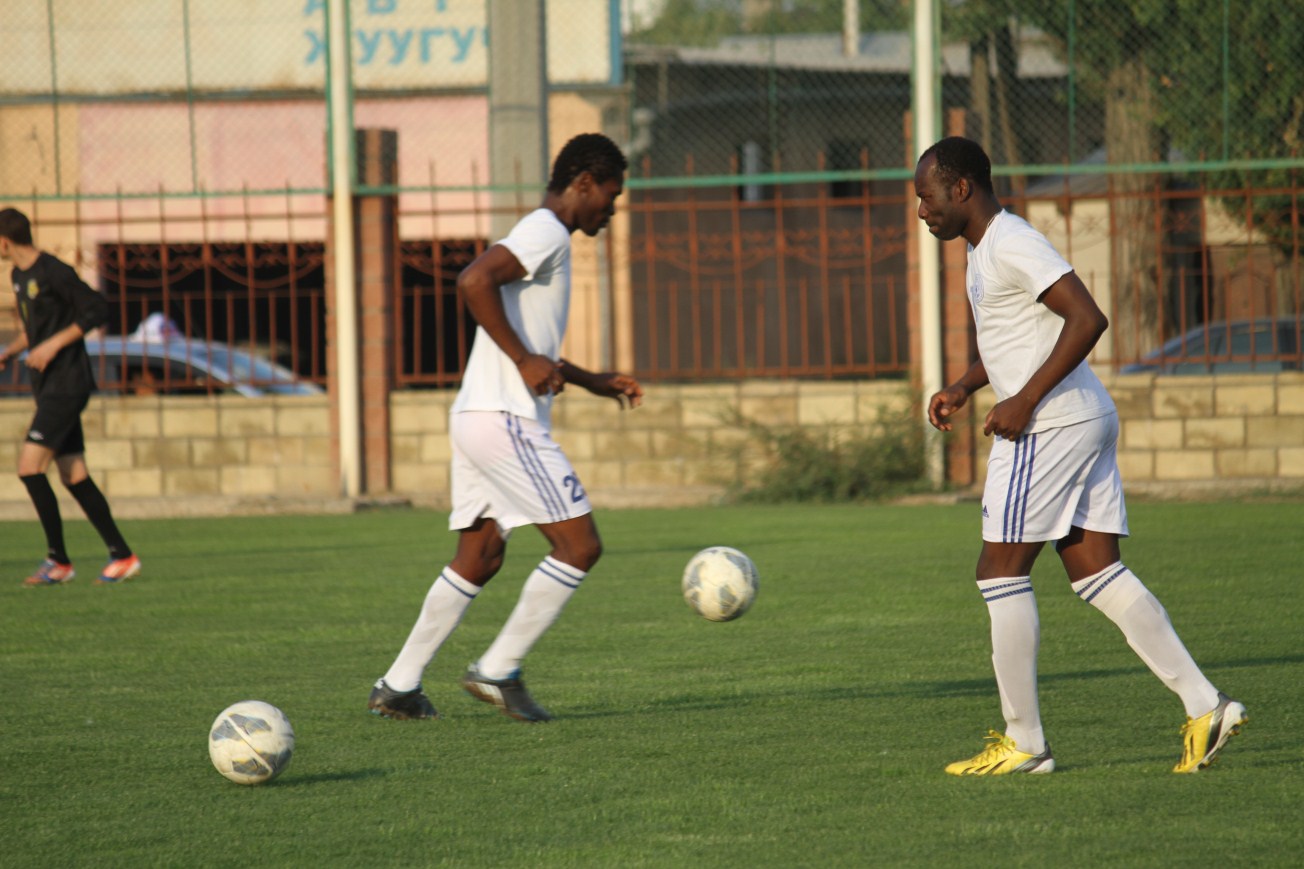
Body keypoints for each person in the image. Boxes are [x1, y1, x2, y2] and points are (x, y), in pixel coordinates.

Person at [914, 137, 1245, 775]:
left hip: (1050, 426)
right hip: (1080, 417)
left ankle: (1025, 743)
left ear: (961, 189)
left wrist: (1024, 401)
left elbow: (1087, 318)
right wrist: (966, 385)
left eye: (927, 197)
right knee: (1096, 571)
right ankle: (1207, 706)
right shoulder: (984, 249)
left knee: (999, 573)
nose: (922, 211)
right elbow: (1021, 338)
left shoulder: (1011, 242)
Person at [368, 133, 642, 723]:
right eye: (612, 195)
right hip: (505, 420)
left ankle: (398, 686)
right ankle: (498, 669)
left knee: (482, 554)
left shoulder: (544, 235)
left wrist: (591, 380)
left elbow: (535, 346)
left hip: (476, 417)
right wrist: (523, 361)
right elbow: (473, 280)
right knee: (580, 547)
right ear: (584, 183)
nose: (612, 209)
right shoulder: (547, 230)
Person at [0, 207, 141, 586]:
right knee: (74, 475)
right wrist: (10, 352)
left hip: (68, 384)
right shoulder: (19, 276)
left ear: (5, 242)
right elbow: (37, 329)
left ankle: (58, 560)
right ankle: (122, 555)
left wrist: (53, 346)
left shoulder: (54, 271)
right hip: (48, 386)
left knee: (29, 468)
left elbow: (97, 308)